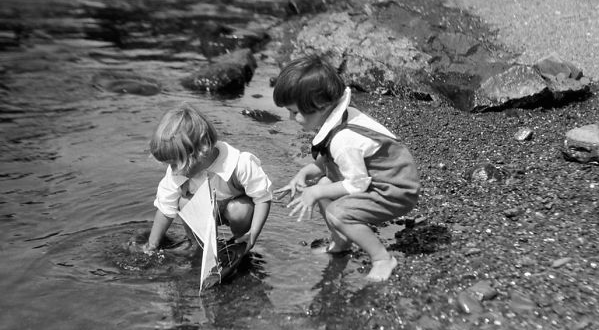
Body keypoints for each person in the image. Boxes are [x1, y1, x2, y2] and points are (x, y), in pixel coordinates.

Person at [273, 55, 420, 282]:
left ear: (320, 106)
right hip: (379, 179)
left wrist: (315, 192)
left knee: (336, 210)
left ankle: (382, 259)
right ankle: (341, 241)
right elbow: (328, 160)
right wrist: (304, 174)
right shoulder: (338, 117)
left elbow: (357, 183)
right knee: (323, 183)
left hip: (396, 190)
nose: (291, 118)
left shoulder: (344, 139)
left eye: (294, 112)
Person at [142, 103, 272, 256]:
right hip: (203, 213)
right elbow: (165, 209)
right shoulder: (177, 173)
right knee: (183, 201)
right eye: (171, 165)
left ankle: (241, 240)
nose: (174, 170)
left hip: (234, 208)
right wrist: (152, 244)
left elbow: (262, 197)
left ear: (202, 149)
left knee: (239, 210)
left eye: (177, 164)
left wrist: (254, 233)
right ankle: (198, 244)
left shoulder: (239, 164)